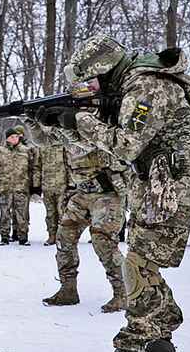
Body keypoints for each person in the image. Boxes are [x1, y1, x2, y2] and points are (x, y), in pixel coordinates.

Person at [40, 34, 190, 352]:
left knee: (137, 264)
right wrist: (63, 125)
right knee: (143, 261)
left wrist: (79, 121)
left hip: (174, 184)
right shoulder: (138, 83)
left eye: (92, 80)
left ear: (105, 70)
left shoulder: (147, 86)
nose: (90, 87)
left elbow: (125, 145)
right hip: (165, 181)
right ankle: (160, 344)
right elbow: (110, 144)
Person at [35, 122, 127, 313]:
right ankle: (68, 289)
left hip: (107, 194)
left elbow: (88, 145)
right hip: (82, 194)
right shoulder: (67, 129)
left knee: (103, 241)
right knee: (64, 237)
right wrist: (32, 120)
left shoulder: (98, 125)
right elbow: (42, 140)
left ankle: (123, 293)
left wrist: (69, 124)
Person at [0, 125, 38, 245]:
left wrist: (32, 183)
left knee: (22, 214)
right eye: (12, 137)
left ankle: (23, 237)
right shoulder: (0, 151)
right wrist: (1, 179)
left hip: (21, 187)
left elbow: (33, 168)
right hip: (5, 188)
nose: (15, 139)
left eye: (16, 136)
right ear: (7, 138)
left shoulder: (26, 151)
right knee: (5, 213)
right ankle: (4, 237)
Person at [36, 134, 68, 245]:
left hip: (62, 185)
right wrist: (36, 185)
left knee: (62, 212)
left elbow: (70, 165)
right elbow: (37, 166)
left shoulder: (64, 147)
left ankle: (62, 237)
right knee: (50, 214)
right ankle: (52, 235)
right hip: (47, 186)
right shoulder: (42, 147)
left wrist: (72, 184)